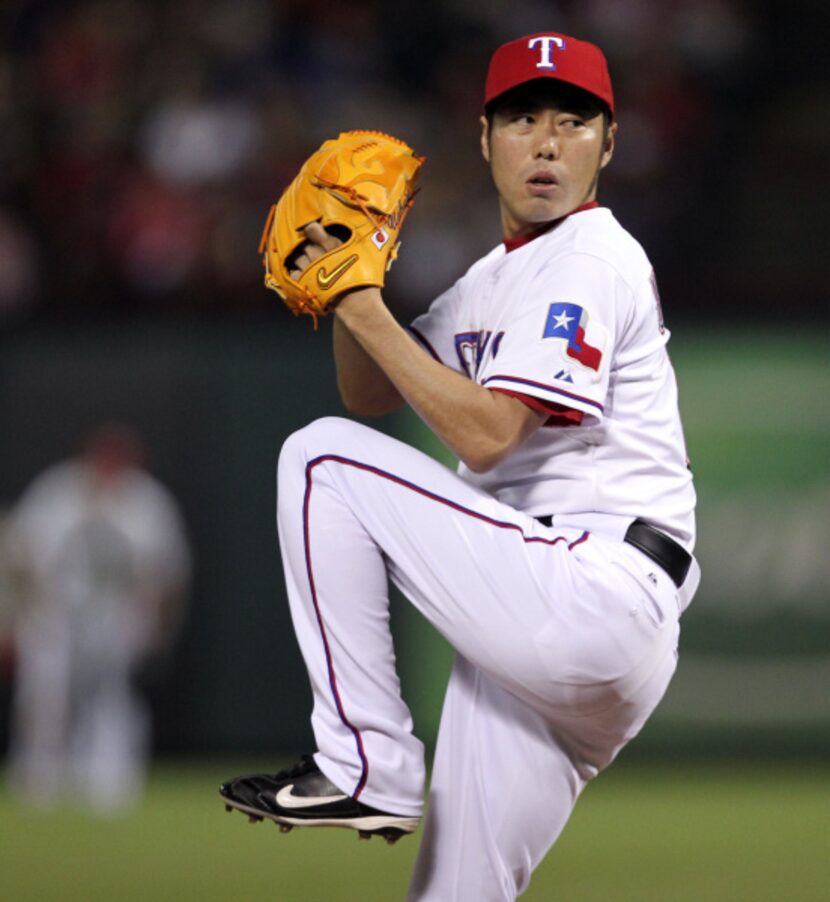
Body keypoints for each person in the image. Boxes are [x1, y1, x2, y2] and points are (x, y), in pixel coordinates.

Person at [220, 31, 699, 901]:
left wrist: (359, 301)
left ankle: (368, 762)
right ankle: (376, 770)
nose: (547, 142)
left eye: (573, 121)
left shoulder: (589, 254)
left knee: (321, 460)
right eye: (521, 119)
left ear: (610, 142)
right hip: (543, 619)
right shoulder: (489, 280)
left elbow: (486, 437)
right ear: (485, 139)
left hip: (592, 586)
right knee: (455, 892)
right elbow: (374, 390)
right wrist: (345, 279)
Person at [6, 424, 191, 815]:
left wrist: (159, 625)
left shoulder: (147, 502)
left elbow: (168, 574)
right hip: (52, 611)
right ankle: (40, 777)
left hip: (117, 615)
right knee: (46, 694)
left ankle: (109, 780)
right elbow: (20, 559)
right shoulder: (55, 492)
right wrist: (15, 620)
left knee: (111, 696)